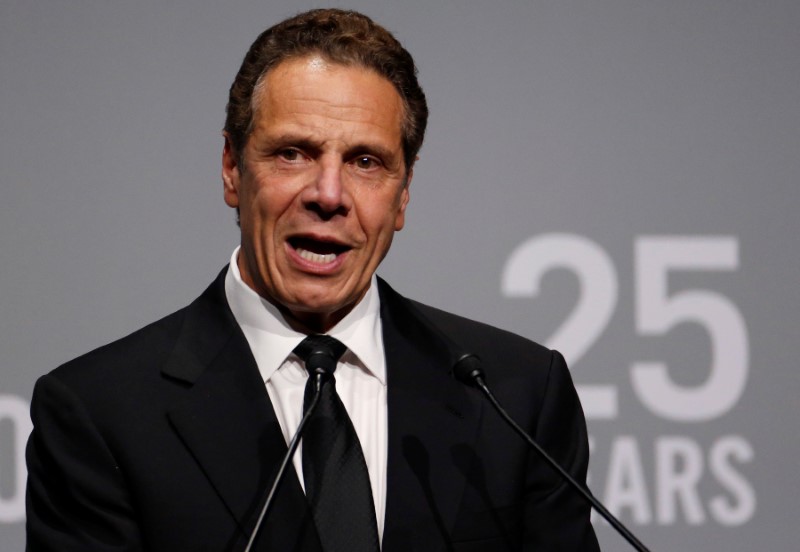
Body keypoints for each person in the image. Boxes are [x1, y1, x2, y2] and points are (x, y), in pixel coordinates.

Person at [26, 9, 600, 551]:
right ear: (232, 168)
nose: (329, 195)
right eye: (293, 153)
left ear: (403, 194)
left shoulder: (517, 397)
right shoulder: (101, 413)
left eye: (366, 162)